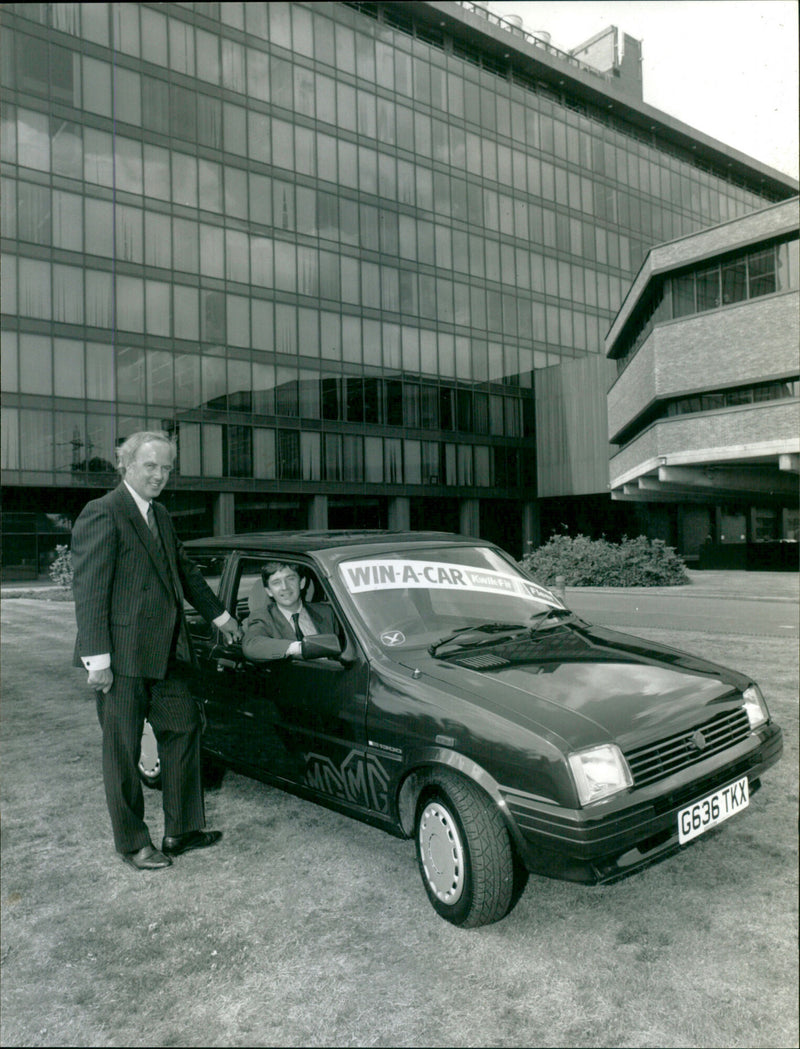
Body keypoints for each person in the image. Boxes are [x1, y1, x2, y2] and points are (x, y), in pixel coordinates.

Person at [71, 431, 242, 871]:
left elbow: (183, 571)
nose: (160, 475)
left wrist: (221, 616)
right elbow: (90, 591)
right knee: (123, 754)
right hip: (122, 660)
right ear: (126, 464)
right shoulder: (103, 512)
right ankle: (132, 844)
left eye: (166, 468)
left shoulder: (160, 515)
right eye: (151, 466)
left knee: (184, 728)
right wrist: (98, 659)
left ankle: (181, 830)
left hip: (166, 655)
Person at [242, 561, 337, 662]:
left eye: (290, 579)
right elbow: (251, 645)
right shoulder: (263, 617)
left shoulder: (326, 612)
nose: (285, 587)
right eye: (276, 582)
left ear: (301, 583)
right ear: (269, 591)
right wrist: (299, 648)